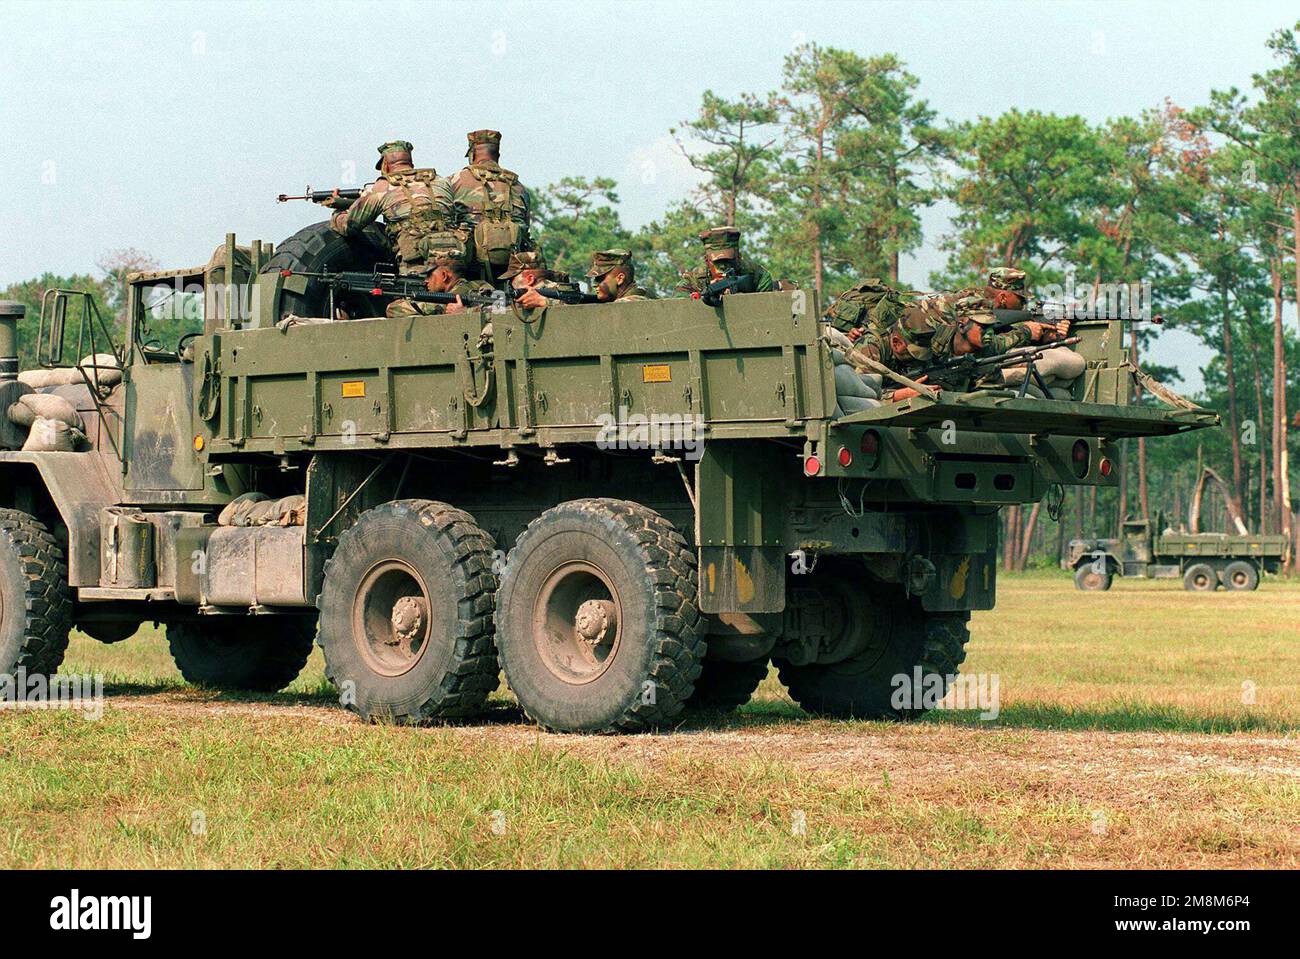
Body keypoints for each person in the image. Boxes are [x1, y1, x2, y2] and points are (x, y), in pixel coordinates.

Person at [318, 140, 453, 275]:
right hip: (453, 260)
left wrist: (339, 211)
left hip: (417, 265)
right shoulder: (440, 182)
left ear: (386, 165)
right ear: (410, 164)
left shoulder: (383, 187)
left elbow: (348, 226)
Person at [446, 130, 533, 282]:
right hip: (512, 268)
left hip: (470, 268)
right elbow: (525, 227)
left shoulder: (454, 181)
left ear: (472, 154)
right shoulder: (519, 187)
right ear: (497, 155)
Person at [385, 233, 496, 319]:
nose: (426, 281)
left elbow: (392, 309)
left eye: (429, 275)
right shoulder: (479, 285)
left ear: (444, 275)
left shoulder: (480, 288)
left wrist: (464, 312)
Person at [675, 226, 774, 298]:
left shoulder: (758, 276)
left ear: (738, 257)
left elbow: (768, 310)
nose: (723, 266)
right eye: (717, 262)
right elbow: (678, 311)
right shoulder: (693, 281)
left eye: (728, 260)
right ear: (707, 261)